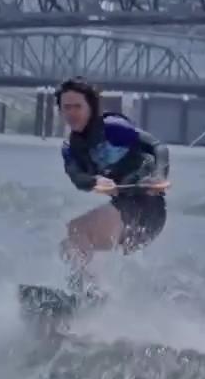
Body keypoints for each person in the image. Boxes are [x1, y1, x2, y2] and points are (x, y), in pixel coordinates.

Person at [54, 77, 171, 299]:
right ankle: (93, 295)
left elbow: (158, 147)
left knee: (79, 231)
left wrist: (159, 175)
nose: (71, 113)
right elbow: (77, 177)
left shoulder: (114, 129)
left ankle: (91, 293)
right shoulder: (71, 149)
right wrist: (94, 182)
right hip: (124, 211)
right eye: (66, 107)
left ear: (91, 107)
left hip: (148, 210)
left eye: (77, 106)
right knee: (69, 245)